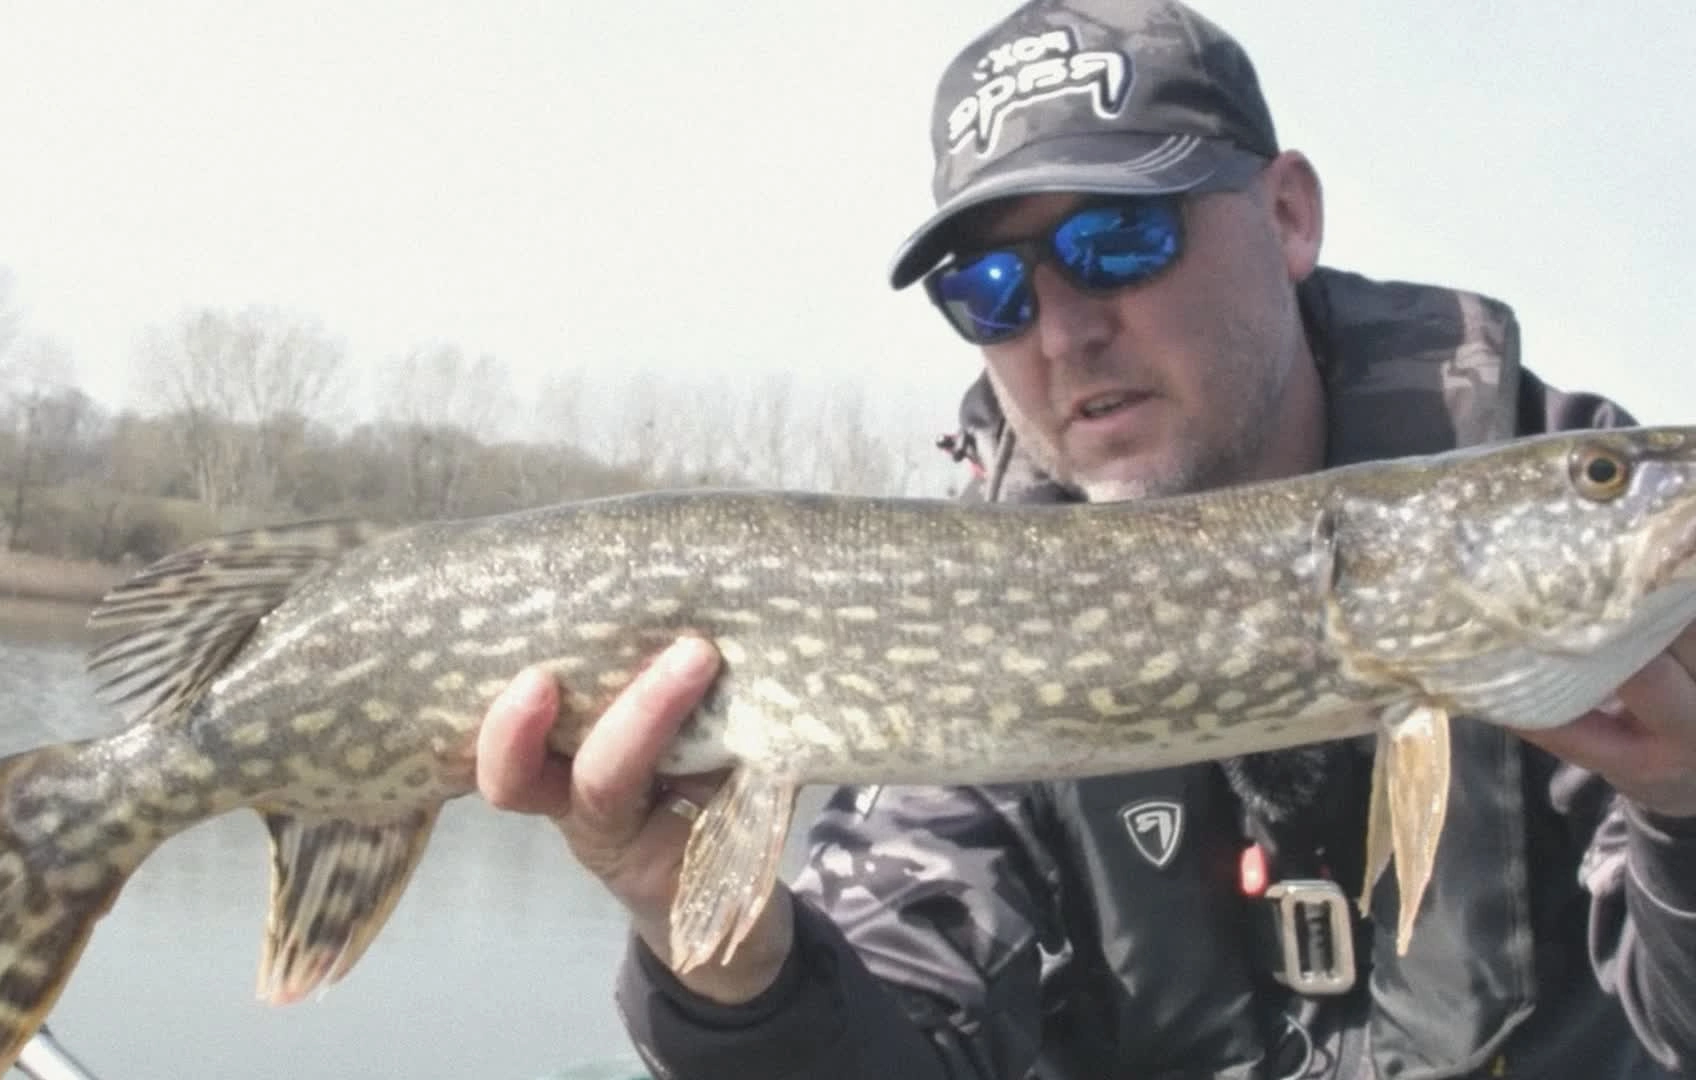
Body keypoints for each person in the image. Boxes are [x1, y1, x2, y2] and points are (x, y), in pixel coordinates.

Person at [475, 2, 1696, 1076]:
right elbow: (903, 1038)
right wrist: (736, 977)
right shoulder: (951, 611)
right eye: (989, 293)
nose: (1059, 331)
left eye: (1121, 239)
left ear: (1285, 215)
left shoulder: (1594, 539)